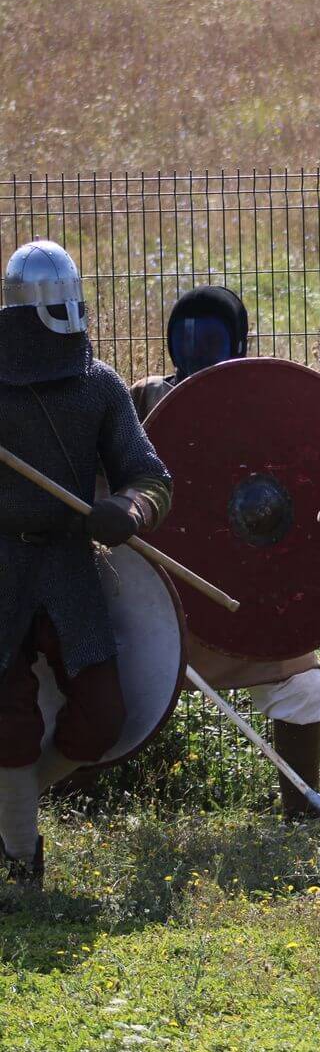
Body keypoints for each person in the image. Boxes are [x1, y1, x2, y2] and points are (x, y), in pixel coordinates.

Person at [0, 240, 173, 887]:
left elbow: (151, 477)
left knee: (101, 715)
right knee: (8, 724)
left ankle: (8, 809)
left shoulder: (97, 384)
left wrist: (129, 509)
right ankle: (21, 858)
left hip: (70, 563)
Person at [128, 286, 320, 819]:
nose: (196, 349)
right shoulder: (145, 399)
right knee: (96, 680)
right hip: (157, 594)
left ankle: (302, 813)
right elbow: (109, 482)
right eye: (185, 338)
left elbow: (308, 487)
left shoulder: (265, 402)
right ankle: (59, 799)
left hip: (245, 591)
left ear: (237, 343)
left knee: (299, 682)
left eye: (210, 339)